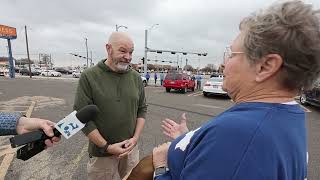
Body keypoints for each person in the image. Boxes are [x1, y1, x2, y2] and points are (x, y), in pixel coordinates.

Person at [152, 1, 320, 179]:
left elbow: (240, 152)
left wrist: (161, 167)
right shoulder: (287, 116)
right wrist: (189, 141)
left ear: (265, 66)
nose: (224, 63)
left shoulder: (239, 135)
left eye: (232, 54)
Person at [73, 32, 147, 180]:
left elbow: (142, 109)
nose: (128, 56)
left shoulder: (135, 77)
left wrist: (135, 138)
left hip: (130, 151)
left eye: (131, 52)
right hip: (102, 155)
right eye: (123, 50)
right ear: (108, 48)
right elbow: (81, 117)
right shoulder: (89, 76)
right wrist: (106, 147)